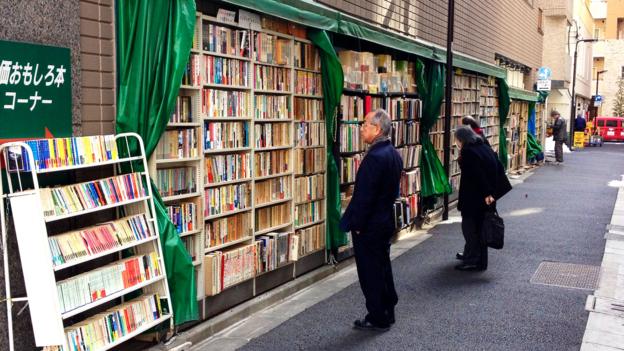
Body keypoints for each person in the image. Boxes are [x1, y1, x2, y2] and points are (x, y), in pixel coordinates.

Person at [339, 109, 403, 332]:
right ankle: (388, 310)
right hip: (384, 221)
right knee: (383, 268)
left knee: (370, 273)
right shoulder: (393, 153)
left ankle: (377, 317)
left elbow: (365, 197)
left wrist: (357, 225)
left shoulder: (374, 157)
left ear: (377, 129)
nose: (361, 128)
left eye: (365, 124)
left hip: (370, 226)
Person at [455, 126, 511, 271]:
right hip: (488, 195)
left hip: (475, 197)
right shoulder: (485, 147)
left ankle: (472, 260)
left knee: (470, 228)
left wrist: (487, 193)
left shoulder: (468, 152)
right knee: (480, 229)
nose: (457, 143)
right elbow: (498, 167)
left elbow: (477, 175)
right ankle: (477, 259)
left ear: (461, 139)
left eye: (457, 140)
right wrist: (492, 193)